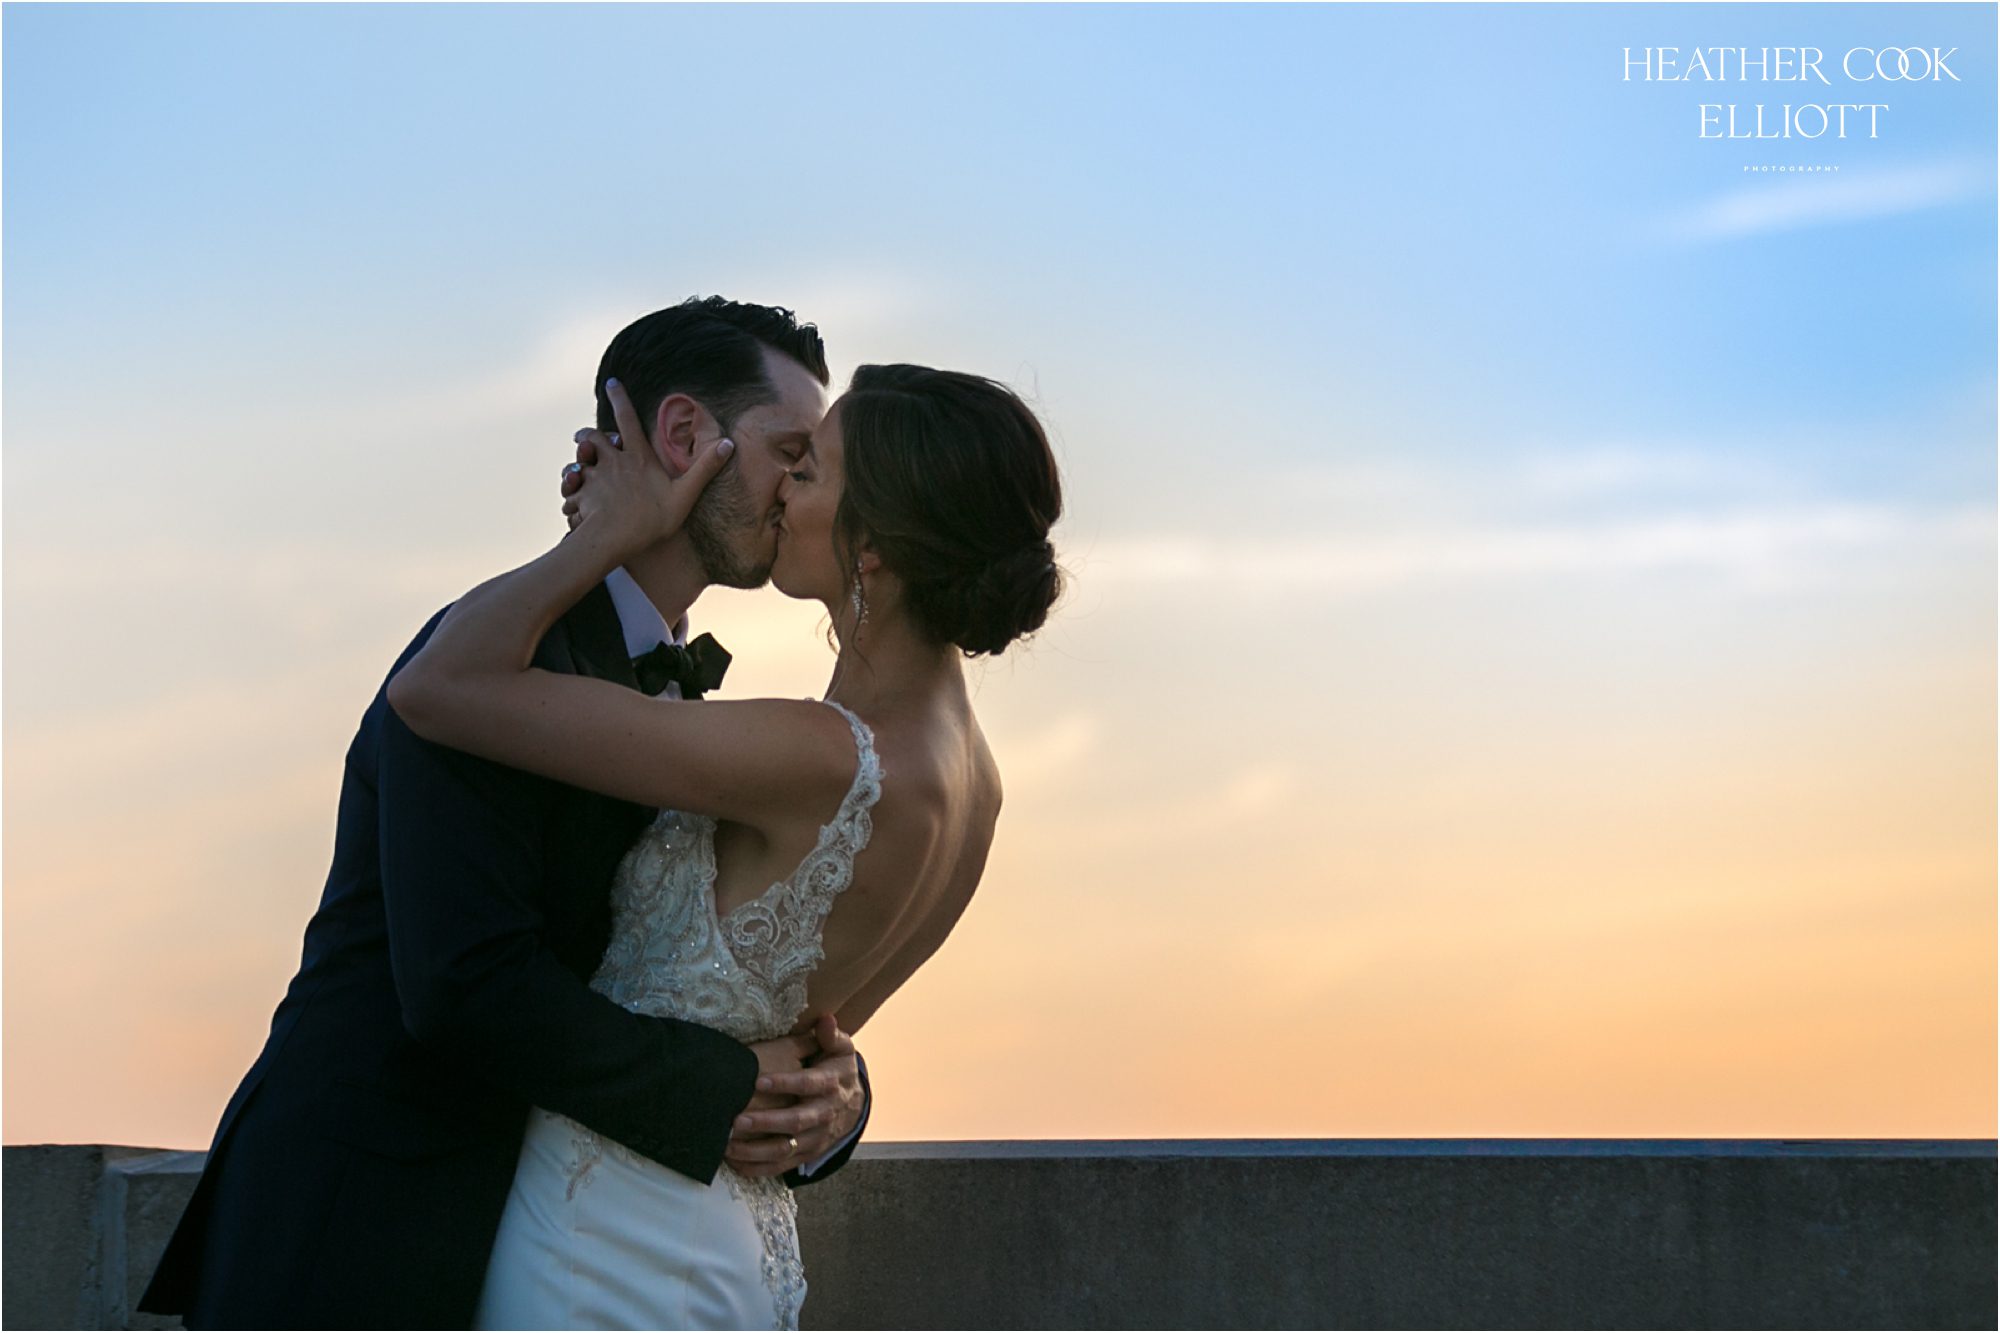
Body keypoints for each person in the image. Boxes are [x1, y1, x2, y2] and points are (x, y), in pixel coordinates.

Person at [138, 298, 872, 1330]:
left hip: (545, 1239)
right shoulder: (484, 663)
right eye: (785, 450)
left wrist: (824, 1097)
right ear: (680, 438)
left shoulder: (676, 700)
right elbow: (464, 983)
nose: (797, 488)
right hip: (361, 1228)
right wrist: (721, 1091)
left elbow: (686, 965)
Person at [385, 362, 1063, 1329]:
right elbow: (809, 1048)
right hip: (731, 1243)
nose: (780, 489)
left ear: (872, 548)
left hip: (609, 1240)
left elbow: (439, 686)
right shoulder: (978, 788)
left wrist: (612, 532)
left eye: (811, 471)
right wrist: (846, 1092)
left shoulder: (813, 754)